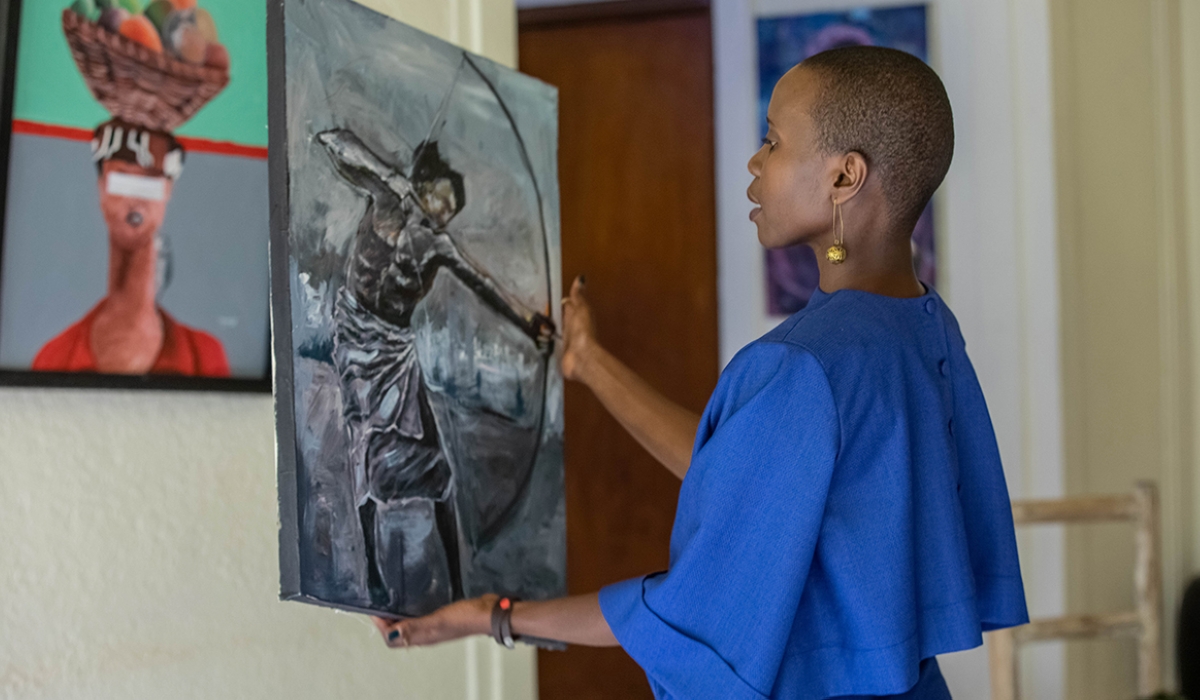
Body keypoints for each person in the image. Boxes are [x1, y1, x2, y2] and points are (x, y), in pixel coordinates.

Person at [369, 46, 1029, 699]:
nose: (755, 160)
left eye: (773, 140)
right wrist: (590, 364)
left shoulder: (805, 366)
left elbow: (682, 621)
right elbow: (748, 478)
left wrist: (493, 616)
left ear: (843, 177)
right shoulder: (923, 329)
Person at [318, 129, 555, 615]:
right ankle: (373, 575)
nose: (442, 213)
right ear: (422, 190)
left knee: (436, 459)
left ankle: (458, 581)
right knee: (365, 443)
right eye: (438, 200)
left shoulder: (440, 246)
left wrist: (530, 322)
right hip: (362, 344)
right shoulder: (388, 210)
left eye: (450, 209)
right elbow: (333, 140)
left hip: (398, 352)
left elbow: (485, 284)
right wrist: (391, 179)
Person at [32, 118, 230, 377]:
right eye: (122, 178)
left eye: (150, 181)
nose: (135, 199)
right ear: (102, 188)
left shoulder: (205, 357)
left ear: (167, 190)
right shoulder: (54, 357)